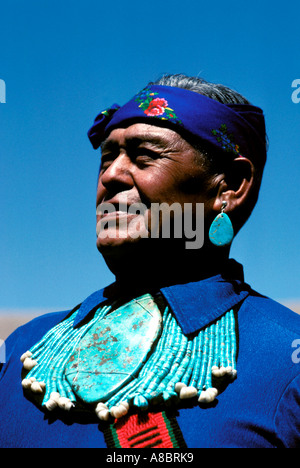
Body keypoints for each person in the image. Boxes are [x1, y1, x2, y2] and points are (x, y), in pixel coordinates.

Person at [0, 74, 299, 449]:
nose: (110, 175)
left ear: (230, 185)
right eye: (107, 158)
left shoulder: (286, 359)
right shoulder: (21, 353)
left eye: (145, 156)